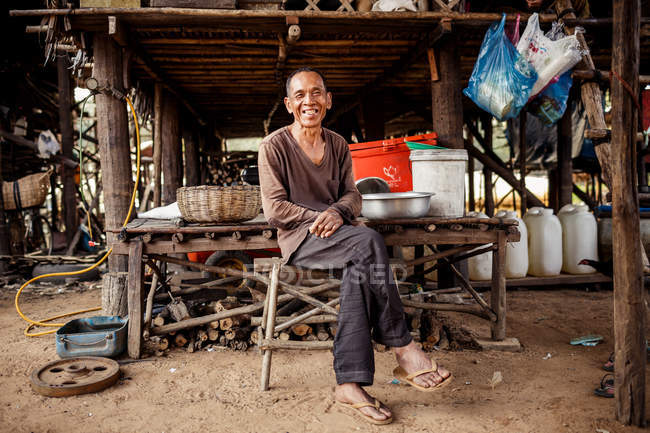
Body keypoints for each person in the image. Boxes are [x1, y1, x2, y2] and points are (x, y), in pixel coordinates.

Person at [258, 67, 452, 425]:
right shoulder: (273, 147)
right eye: (300, 95)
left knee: (359, 272)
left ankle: (349, 384)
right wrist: (320, 218)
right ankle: (403, 347)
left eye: (316, 93)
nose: (309, 101)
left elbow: (353, 195)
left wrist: (337, 211)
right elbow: (275, 209)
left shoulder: (337, 144)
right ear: (288, 104)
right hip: (301, 240)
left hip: (344, 241)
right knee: (369, 240)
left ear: (328, 101)